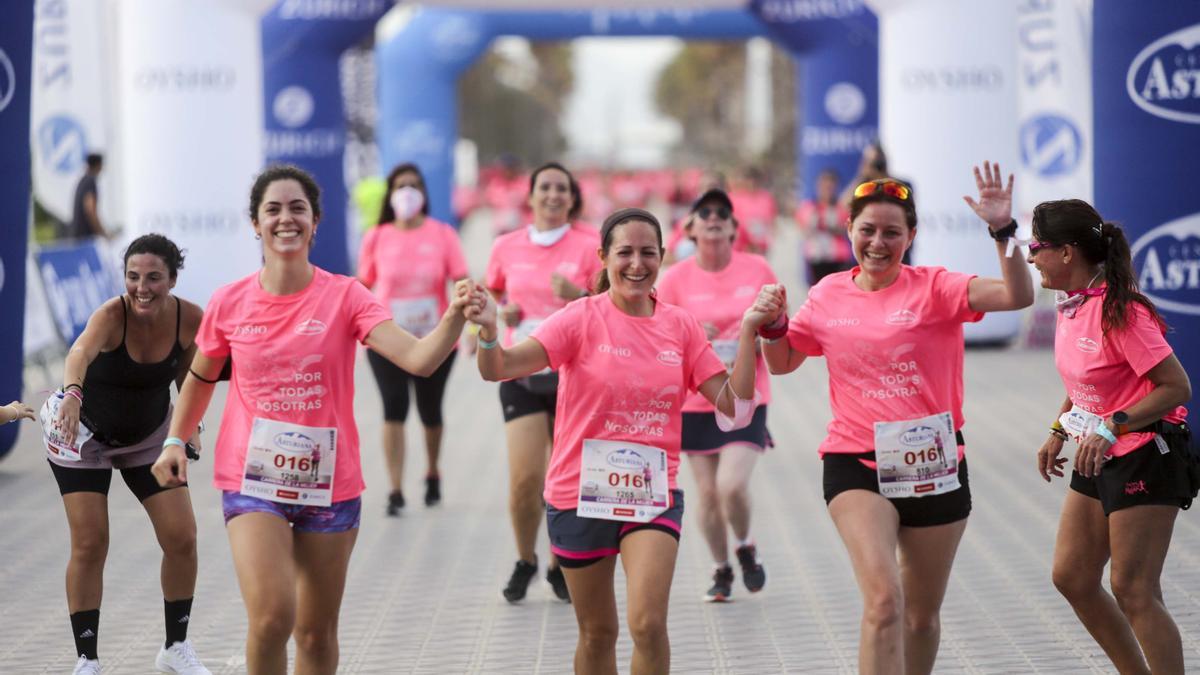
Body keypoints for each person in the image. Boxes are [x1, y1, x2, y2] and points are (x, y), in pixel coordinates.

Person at [151, 165, 473, 675]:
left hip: (331, 484)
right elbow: (200, 379)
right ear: (255, 224)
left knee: (317, 634)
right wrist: (174, 441)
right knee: (274, 617)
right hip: (251, 479)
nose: (286, 219)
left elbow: (418, 360)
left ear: (316, 221)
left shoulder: (346, 296)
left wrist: (454, 316)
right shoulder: (229, 302)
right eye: (273, 210)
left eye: (297, 208)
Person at [758, 162, 1034, 674]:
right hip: (854, 461)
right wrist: (773, 325)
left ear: (911, 236)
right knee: (885, 602)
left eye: (891, 232)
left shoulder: (936, 288)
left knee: (921, 618)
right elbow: (783, 362)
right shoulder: (826, 295)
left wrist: (1003, 230)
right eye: (867, 230)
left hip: (934, 465)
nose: (878, 243)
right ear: (849, 232)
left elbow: (1018, 296)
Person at [468, 206, 767, 674]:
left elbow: (736, 410)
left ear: (662, 257)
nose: (636, 264)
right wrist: (488, 331)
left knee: (648, 625)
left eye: (648, 253)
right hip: (578, 496)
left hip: (653, 497)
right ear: (603, 257)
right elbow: (500, 368)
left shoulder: (681, 326)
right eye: (624, 252)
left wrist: (748, 334)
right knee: (597, 634)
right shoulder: (579, 318)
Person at [1030, 199, 1193, 675]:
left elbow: (1176, 387)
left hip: (1146, 452)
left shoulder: (1123, 311)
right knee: (1073, 577)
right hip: (1098, 451)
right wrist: (1060, 428)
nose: (1030, 257)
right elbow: (1087, 382)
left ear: (1066, 253)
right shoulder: (1073, 303)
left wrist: (1111, 426)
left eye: (1037, 247)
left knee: (1134, 590)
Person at [44, 234, 209, 675]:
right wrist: (73, 394)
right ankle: (87, 659)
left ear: (172, 279)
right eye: (133, 276)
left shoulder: (189, 318)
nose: (142, 287)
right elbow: (79, 352)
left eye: (154, 277)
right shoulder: (111, 314)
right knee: (91, 542)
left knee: (182, 538)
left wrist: (188, 428)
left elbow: (191, 377)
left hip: (149, 436)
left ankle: (175, 647)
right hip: (81, 436)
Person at [484, 161, 601, 604]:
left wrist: (579, 295)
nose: (553, 195)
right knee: (524, 479)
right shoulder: (506, 245)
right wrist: (503, 313)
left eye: (561, 189)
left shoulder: (591, 245)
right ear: (530, 197)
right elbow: (494, 292)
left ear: (572, 198)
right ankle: (525, 559)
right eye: (545, 188)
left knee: (565, 478)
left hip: (574, 374)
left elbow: (615, 302)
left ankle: (558, 562)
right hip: (521, 368)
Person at [657, 188, 777, 603]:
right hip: (695, 400)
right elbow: (658, 339)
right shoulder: (673, 279)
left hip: (746, 395)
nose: (713, 217)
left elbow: (781, 328)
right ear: (688, 228)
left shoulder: (757, 268)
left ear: (734, 228)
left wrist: (754, 341)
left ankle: (745, 544)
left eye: (722, 213)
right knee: (706, 494)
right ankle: (721, 568)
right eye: (703, 212)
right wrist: (691, 339)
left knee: (730, 486)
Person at [358, 162, 469, 513]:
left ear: (423, 193)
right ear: (390, 194)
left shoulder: (443, 234)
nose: (407, 191)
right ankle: (394, 489)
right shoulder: (376, 236)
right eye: (400, 185)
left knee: (430, 410)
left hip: (435, 340)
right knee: (394, 409)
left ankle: (433, 472)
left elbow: (461, 279)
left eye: (414, 185)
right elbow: (362, 285)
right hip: (387, 338)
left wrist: (471, 319)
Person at [795, 168, 852, 286]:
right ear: (818, 185)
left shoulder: (841, 207)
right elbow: (803, 230)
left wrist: (831, 227)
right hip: (816, 256)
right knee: (819, 291)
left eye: (830, 186)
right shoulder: (808, 206)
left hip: (838, 256)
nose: (827, 189)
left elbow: (846, 228)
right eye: (824, 185)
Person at [67, 153, 110, 241]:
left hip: (78, 235)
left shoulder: (83, 180)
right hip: (85, 238)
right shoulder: (90, 181)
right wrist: (103, 233)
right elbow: (90, 210)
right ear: (98, 165)